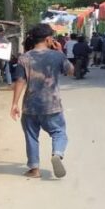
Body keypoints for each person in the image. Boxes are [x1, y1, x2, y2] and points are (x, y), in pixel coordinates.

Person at [10, 24, 74, 179]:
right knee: (59, 132)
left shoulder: (24, 57)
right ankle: (57, 154)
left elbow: (19, 81)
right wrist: (60, 51)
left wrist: (14, 104)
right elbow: (71, 71)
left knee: (31, 136)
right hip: (51, 105)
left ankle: (34, 169)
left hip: (30, 106)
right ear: (48, 39)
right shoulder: (57, 56)